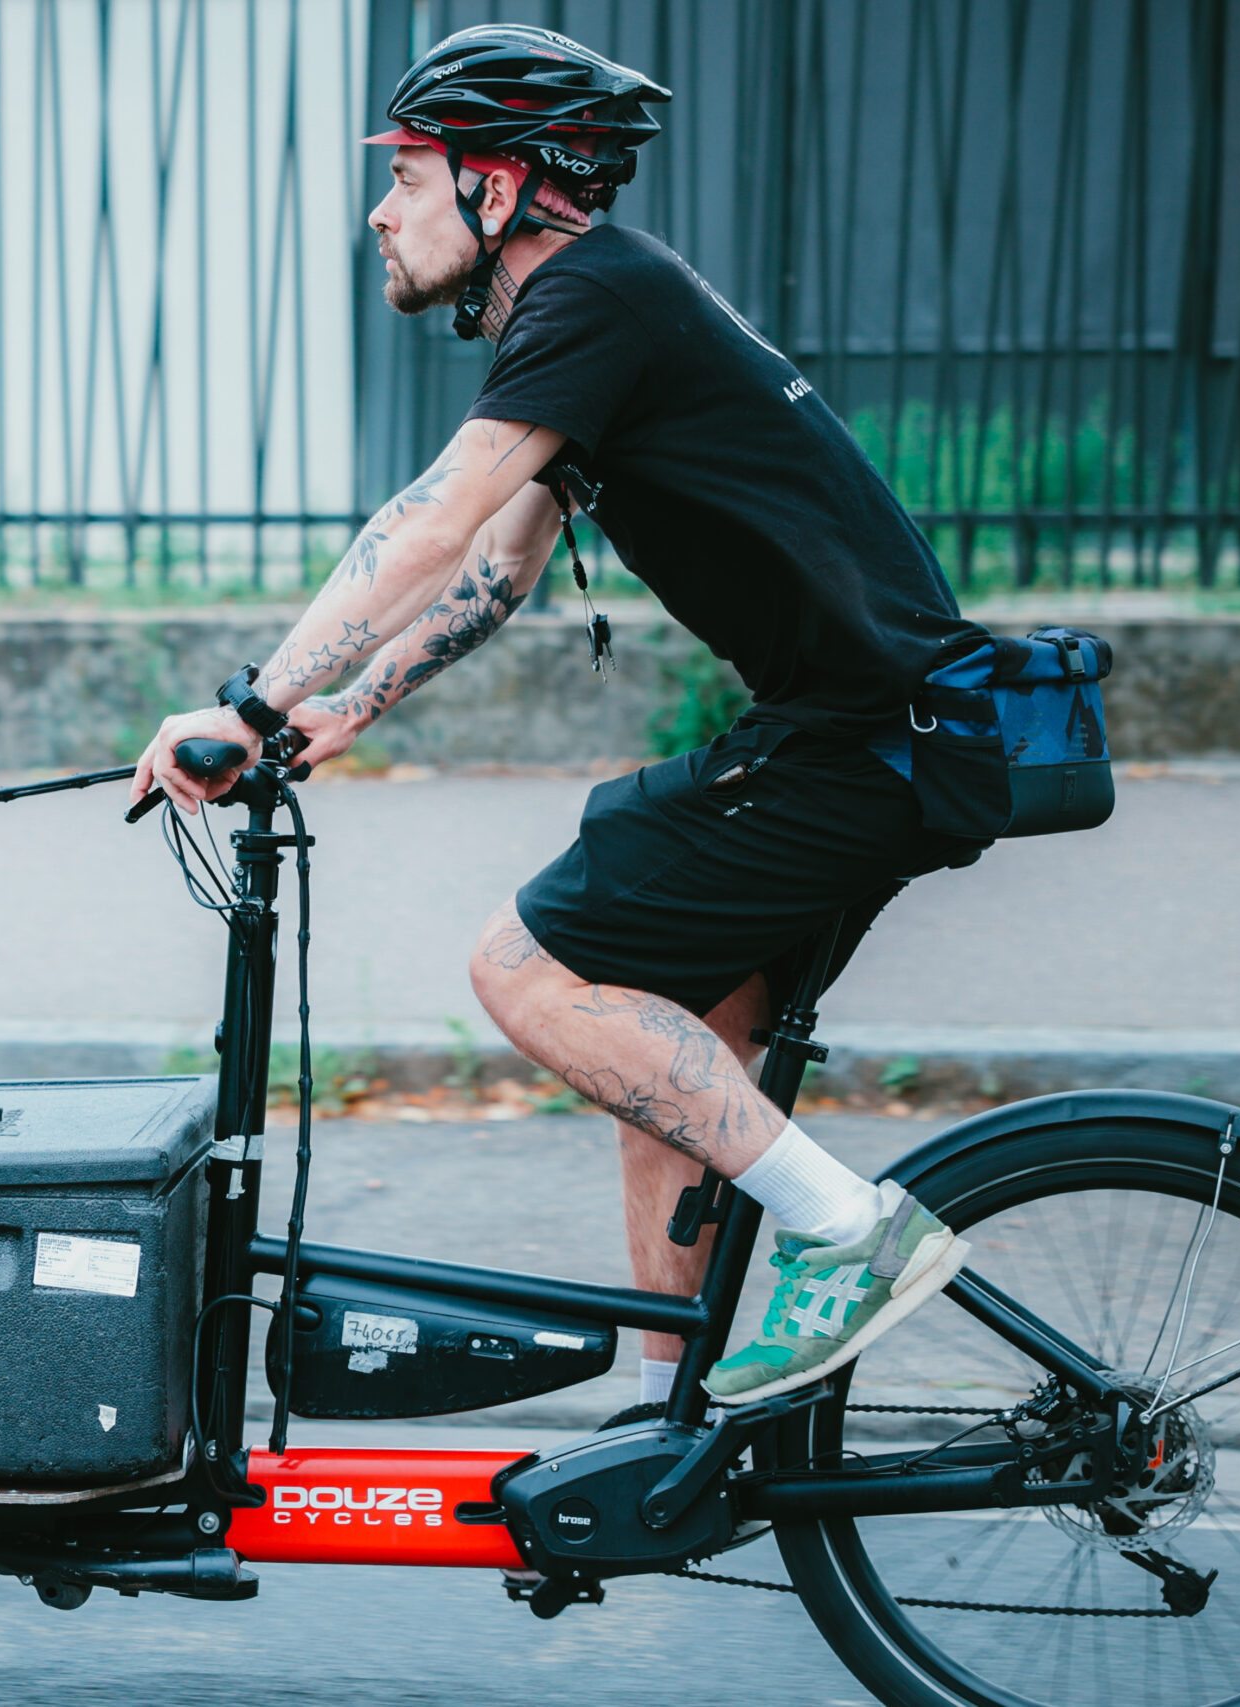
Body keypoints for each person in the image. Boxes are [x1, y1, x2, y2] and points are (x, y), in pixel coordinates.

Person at [127, 24, 981, 1411]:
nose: (381, 209)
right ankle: (668, 1417)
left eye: (408, 176)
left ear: (501, 188)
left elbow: (428, 520)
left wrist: (246, 702)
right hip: (878, 737)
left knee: (528, 966)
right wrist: (340, 709)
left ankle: (854, 1235)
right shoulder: (600, 312)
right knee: (674, 1036)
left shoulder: (598, 299)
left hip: (868, 740)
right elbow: (498, 560)